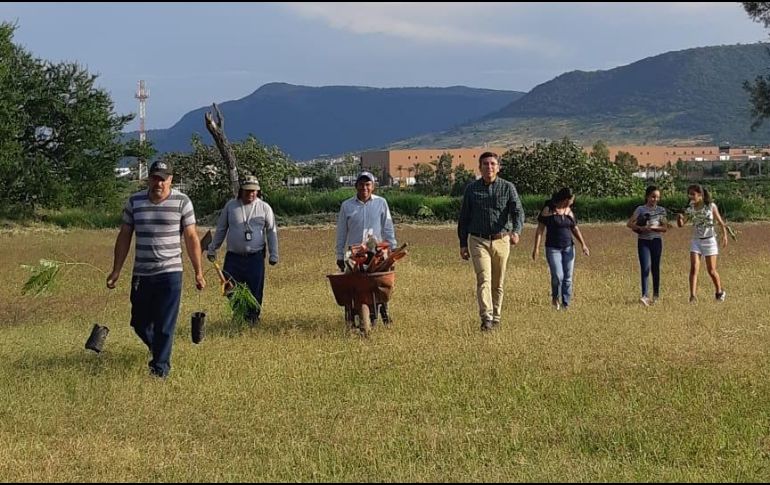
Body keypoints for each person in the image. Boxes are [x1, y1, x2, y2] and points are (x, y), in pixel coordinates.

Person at [106, 160, 205, 378]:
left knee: (164, 323)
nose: (159, 183)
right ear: (149, 179)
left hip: (170, 272)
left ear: (171, 179)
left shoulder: (182, 202)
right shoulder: (135, 202)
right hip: (142, 272)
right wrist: (116, 270)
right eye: (155, 178)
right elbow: (124, 236)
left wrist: (198, 271)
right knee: (139, 322)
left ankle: (160, 370)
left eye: (163, 178)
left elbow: (191, 237)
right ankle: (158, 348)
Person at [458, 152, 524, 331]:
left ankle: (496, 316)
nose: (489, 167)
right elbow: (464, 218)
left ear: (498, 167)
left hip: (502, 239)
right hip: (478, 240)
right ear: (479, 168)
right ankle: (486, 318)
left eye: (493, 164)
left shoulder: (508, 187)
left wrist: (516, 232)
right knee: (484, 279)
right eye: (485, 164)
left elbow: (518, 211)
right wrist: (463, 244)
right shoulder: (472, 189)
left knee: (498, 281)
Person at [207, 175, 279, 325]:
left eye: (254, 191)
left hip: (255, 257)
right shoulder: (231, 206)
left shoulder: (264, 208)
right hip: (233, 257)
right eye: (247, 191)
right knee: (231, 288)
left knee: (255, 289)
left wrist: (274, 254)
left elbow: (271, 231)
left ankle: (253, 318)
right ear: (240, 191)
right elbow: (221, 229)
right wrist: (213, 248)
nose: (251, 194)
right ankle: (238, 314)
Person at [335, 171, 397, 324]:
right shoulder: (347, 206)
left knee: (380, 283)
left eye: (368, 184)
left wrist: (393, 249)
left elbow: (387, 227)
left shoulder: (381, 203)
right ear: (356, 186)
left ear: (373, 187)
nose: (364, 188)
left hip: (375, 251)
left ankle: (383, 307)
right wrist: (340, 255)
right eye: (361, 184)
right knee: (351, 283)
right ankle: (351, 312)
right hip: (354, 253)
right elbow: (342, 232)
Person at [531, 188, 590, 311]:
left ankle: (566, 303)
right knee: (558, 276)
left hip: (569, 247)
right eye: (571, 199)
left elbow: (575, 229)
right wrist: (536, 248)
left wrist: (583, 245)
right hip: (553, 248)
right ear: (565, 199)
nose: (573, 202)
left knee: (568, 277)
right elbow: (540, 230)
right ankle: (555, 297)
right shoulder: (548, 210)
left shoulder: (569, 212)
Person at [676, 184, 728, 303]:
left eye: (693, 194)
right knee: (694, 268)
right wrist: (679, 219)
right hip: (696, 241)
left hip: (709, 241)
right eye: (689, 194)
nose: (691, 196)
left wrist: (724, 235)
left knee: (711, 271)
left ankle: (719, 292)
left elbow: (720, 221)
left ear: (700, 195)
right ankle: (693, 296)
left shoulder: (710, 206)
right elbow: (681, 225)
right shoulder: (690, 208)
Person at [626, 185, 668, 306]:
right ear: (647, 196)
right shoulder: (640, 209)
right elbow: (629, 224)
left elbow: (665, 227)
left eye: (657, 197)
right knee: (645, 268)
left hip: (656, 241)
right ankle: (644, 295)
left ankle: (656, 295)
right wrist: (640, 228)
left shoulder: (661, 210)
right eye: (653, 196)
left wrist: (654, 228)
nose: (655, 199)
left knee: (655, 268)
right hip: (643, 241)